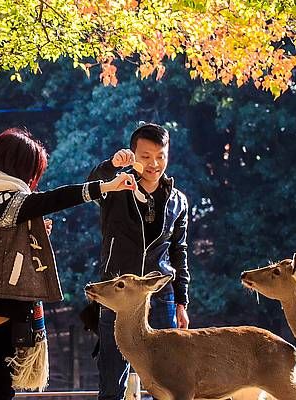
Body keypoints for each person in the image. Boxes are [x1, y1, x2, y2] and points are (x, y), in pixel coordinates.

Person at [0, 127, 137, 400]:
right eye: (31, 170)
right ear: (17, 165)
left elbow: (8, 236)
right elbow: (51, 199)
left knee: (1, 387)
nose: (33, 179)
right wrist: (104, 187)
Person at [88, 123, 191, 400]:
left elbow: (179, 253)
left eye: (160, 156)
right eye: (145, 157)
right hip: (117, 296)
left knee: (167, 378)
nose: (154, 164)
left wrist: (181, 302)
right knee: (112, 376)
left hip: (160, 297)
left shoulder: (178, 201)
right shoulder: (115, 188)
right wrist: (111, 166)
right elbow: (92, 184)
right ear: (133, 155)